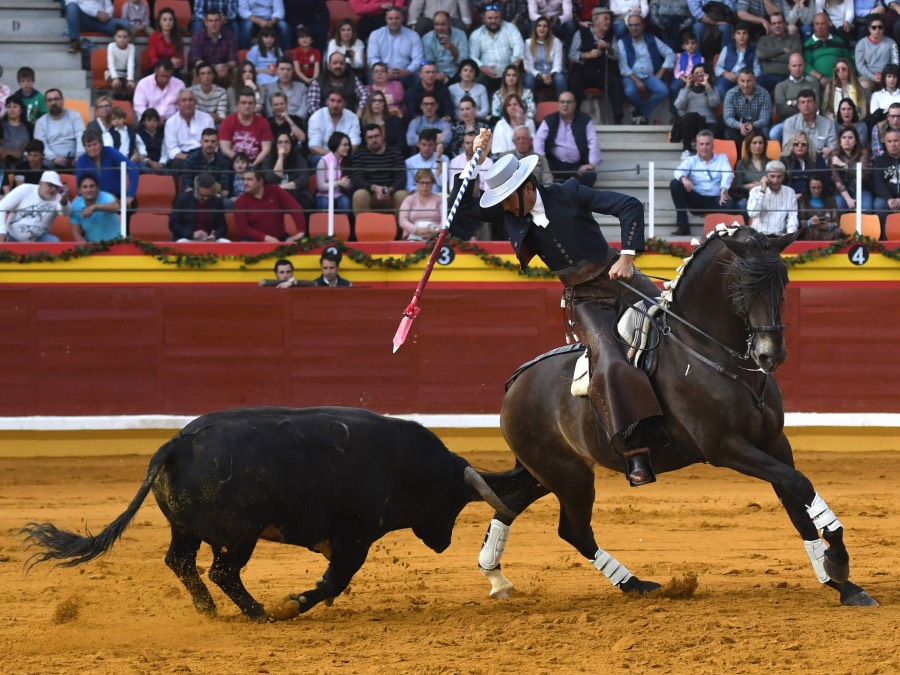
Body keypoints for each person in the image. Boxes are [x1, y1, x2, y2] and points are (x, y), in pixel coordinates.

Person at [456, 128, 662, 487]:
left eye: (507, 199)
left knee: (675, 327)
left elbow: (629, 206)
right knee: (609, 361)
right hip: (585, 298)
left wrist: (628, 255)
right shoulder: (512, 215)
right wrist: (477, 159)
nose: (504, 207)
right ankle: (635, 450)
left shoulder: (568, 192)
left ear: (527, 188)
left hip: (621, 277)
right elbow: (460, 210)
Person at [669, 129, 735, 235]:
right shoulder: (691, 160)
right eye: (701, 144)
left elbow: (728, 174)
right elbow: (678, 171)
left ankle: (722, 233)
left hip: (716, 199)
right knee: (675, 184)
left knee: (729, 203)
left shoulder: (722, 158)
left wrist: (724, 189)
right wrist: (684, 178)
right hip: (696, 200)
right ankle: (683, 226)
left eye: (707, 144)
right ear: (697, 146)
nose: (704, 147)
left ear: (713, 146)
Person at [615, 13, 675, 125]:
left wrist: (661, 73)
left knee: (663, 90)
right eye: (631, 25)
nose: (633, 28)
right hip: (631, 76)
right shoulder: (622, 42)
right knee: (629, 91)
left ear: (643, 26)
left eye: (637, 25)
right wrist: (637, 81)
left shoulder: (651, 39)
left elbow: (670, 53)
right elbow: (623, 66)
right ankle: (642, 114)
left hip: (649, 76)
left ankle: (640, 113)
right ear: (628, 27)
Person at [568, 8, 624, 121]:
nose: (608, 22)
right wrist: (587, 55)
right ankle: (573, 116)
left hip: (601, 73)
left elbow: (617, 56)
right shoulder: (581, 33)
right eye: (605, 19)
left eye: (609, 19)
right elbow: (572, 54)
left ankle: (618, 118)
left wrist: (609, 48)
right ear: (595, 20)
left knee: (615, 81)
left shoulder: (611, 36)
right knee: (574, 80)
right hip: (583, 72)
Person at [534, 92, 600, 187]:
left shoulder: (585, 120)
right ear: (558, 104)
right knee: (541, 172)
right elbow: (538, 140)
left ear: (574, 105)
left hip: (577, 166)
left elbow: (593, 141)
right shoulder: (550, 119)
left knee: (590, 175)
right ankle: (568, 186)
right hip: (554, 165)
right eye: (562, 102)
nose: (565, 105)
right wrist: (543, 161)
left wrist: (592, 164)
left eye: (568, 102)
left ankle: (569, 189)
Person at [351, 122, 408, 217]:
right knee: (359, 195)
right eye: (370, 137)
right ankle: (364, 231)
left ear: (382, 136)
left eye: (376, 136)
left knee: (402, 195)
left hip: (391, 194)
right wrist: (374, 188)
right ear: (365, 139)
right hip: (370, 195)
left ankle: (399, 231)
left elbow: (402, 178)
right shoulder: (360, 155)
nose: (374, 140)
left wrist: (389, 190)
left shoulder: (395, 153)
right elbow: (357, 179)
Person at [233, 169, 306, 241]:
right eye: (244, 179)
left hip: (279, 237)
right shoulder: (240, 201)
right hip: (253, 240)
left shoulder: (276, 191)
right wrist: (265, 238)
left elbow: (295, 207)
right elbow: (243, 229)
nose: (245, 183)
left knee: (296, 246)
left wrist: (301, 231)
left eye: (249, 179)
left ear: (260, 181)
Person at [76, 128, 140, 208]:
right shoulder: (82, 160)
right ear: (85, 147)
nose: (92, 148)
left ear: (101, 144)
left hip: (118, 197)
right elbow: (79, 186)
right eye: (89, 146)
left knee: (131, 205)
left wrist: (130, 195)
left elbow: (133, 169)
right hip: (94, 199)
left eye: (95, 144)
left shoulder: (110, 152)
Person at [165, 89, 215, 190]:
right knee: (175, 164)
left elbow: (213, 142)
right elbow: (172, 150)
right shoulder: (171, 122)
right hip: (182, 157)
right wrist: (190, 158)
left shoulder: (207, 118)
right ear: (178, 104)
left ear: (195, 102)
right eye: (184, 100)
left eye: (190, 100)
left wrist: (199, 157)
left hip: (204, 154)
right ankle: (178, 199)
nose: (188, 103)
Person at [448, 130, 494, 239]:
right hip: (462, 200)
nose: (470, 146)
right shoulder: (455, 161)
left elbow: (490, 188)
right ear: (463, 145)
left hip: (482, 199)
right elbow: (452, 188)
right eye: (467, 143)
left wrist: (476, 192)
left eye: (472, 142)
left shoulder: (488, 162)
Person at [0, 170, 68, 242]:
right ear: (40, 183)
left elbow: (65, 213)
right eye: (50, 185)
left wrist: (64, 203)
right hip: (11, 237)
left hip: (38, 239)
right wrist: (1, 231)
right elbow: (2, 206)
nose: (53, 189)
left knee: (54, 241)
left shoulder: (59, 198)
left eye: (57, 187)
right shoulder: (25, 189)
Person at [366, 7, 426, 88]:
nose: (393, 21)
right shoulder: (375, 35)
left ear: (402, 19)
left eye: (396, 18)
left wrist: (408, 71)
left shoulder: (413, 35)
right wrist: (384, 71)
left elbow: (418, 59)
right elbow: (372, 58)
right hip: (383, 73)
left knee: (420, 75)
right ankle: (375, 99)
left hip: (405, 73)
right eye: (390, 18)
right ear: (386, 19)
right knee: (372, 74)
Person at [469, 5, 526, 89]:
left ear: (501, 18)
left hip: (508, 71)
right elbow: (472, 56)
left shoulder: (510, 28)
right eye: (490, 18)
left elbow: (519, 46)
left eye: (497, 18)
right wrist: (483, 68)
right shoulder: (476, 34)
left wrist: (513, 66)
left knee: (516, 77)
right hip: (486, 72)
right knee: (478, 80)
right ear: (484, 19)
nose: (493, 21)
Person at [671, 64, 721, 158]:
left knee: (715, 130)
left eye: (701, 74)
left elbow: (715, 104)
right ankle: (686, 149)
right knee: (691, 116)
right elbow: (678, 105)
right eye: (696, 73)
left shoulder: (712, 88)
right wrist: (687, 87)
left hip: (707, 123)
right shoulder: (685, 89)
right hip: (690, 124)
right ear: (692, 75)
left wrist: (707, 86)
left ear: (706, 75)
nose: (698, 76)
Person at [770, 53, 822, 143]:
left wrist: (791, 103)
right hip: (786, 122)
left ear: (804, 66)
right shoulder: (781, 86)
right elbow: (782, 109)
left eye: (800, 65)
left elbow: (815, 107)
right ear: (789, 66)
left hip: (808, 122)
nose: (797, 69)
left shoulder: (812, 86)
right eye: (794, 66)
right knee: (773, 133)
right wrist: (805, 105)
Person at [219, 87, 274, 168]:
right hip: (233, 163)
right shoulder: (227, 121)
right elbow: (225, 149)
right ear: (238, 105)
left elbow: (266, 149)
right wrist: (242, 162)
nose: (247, 106)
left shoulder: (263, 122)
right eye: (244, 103)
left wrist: (253, 165)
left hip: (256, 164)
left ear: (255, 105)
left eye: (250, 103)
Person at [169, 171, 230, 241]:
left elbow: (223, 227)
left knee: (226, 242)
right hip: (188, 238)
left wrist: (215, 235)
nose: (205, 198)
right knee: (181, 242)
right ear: (196, 189)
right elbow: (173, 224)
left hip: (210, 239)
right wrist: (192, 234)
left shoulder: (217, 201)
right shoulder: (182, 199)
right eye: (202, 195)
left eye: (208, 196)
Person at [33, 89, 85, 170]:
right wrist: (54, 158)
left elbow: (81, 136)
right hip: (51, 159)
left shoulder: (75, 116)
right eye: (50, 100)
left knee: (83, 162)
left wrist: (79, 156)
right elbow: (41, 144)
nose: (53, 103)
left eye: (56, 99)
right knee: (45, 165)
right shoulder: (41, 122)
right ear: (46, 104)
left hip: (74, 157)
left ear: (62, 100)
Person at [306, 89, 361, 165]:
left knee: (355, 157)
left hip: (346, 154)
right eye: (332, 100)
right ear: (327, 101)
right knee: (318, 160)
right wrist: (334, 156)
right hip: (323, 155)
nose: (335, 105)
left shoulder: (352, 117)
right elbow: (314, 146)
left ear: (344, 103)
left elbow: (355, 144)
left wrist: (341, 154)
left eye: (339, 101)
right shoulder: (316, 117)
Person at [746, 160, 799, 235]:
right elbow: (752, 213)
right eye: (772, 176)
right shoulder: (755, 191)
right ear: (766, 176)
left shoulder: (790, 192)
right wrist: (762, 192)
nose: (775, 180)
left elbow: (793, 218)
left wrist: (790, 236)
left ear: (783, 176)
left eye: (779, 176)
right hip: (759, 237)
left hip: (779, 237)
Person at [189, 10, 240, 88]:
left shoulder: (230, 36)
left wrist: (225, 66)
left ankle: (235, 98)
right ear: (206, 23)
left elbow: (234, 60)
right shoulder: (198, 37)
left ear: (221, 22)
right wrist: (213, 68)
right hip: (205, 68)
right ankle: (194, 97)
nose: (213, 24)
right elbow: (196, 60)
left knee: (236, 71)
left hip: (224, 70)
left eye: (216, 20)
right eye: (210, 21)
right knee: (197, 71)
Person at [803, 13, 852, 93]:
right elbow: (806, 65)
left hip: (839, 76)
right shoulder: (809, 44)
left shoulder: (839, 40)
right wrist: (820, 77)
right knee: (809, 80)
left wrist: (841, 74)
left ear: (829, 24)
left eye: (823, 24)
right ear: (813, 26)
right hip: (818, 78)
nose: (820, 26)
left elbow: (847, 60)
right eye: (817, 24)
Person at [263, 132, 312, 209]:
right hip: (274, 193)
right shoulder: (269, 158)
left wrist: (282, 187)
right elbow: (271, 179)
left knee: (305, 201)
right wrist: (280, 158)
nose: (283, 145)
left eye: (287, 142)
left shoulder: (298, 157)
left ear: (291, 144)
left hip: (296, 191)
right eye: (280, 142)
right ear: (275, 145)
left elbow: (303, 178)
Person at [309, 51, 368, 115]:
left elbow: (365, 94)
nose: (338, 66)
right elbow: (313, 105)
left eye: (341, 63)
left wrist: (359, 112)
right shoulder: (318, 82)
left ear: (345, 65)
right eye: (335, 63)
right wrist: (322, 120)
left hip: (349, 120)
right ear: (328, 65)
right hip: (324, 120)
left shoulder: (353, 79)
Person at [830, 125, 873, 212]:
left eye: (850, 137)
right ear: (840, 141)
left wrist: (843, 165)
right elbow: (836, 179)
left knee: (866, 208)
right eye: (844, 137)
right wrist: (848, 198)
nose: (847, 140)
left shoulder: (863, 152)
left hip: (861, 189)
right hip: (842, 191)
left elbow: (862, 174)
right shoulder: (834, 154)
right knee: (839, 207)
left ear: (856, 141)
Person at [780, 89, 836, 156]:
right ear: (798, 105)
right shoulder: (790, 123)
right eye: (803, 102)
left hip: (822, 163)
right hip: (797, 162)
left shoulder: (828, 124)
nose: (806, 105)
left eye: (809, 101)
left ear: (815, 104)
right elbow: (786, 149)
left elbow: (833, 149)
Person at [723, 69, 772, 144]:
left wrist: (753, 125)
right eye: (742, 81)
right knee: (728, 133)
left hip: (757, 124)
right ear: (738, 81)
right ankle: (737, 155)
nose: (745, 85)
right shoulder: (731, 94)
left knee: (765, 132)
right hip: (738, 124)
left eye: (749, 81)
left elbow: (765, 118)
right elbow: (728, 117)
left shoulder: (764, 94)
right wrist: (739, 125)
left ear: (754, 81)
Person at [714, 23, 761, 101]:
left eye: (744, 33)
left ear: (748, 36)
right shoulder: (727, 49)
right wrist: (726, 73)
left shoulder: (753, 51)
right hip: (729, 77)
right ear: (734, 36)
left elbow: (757, 68)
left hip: (745, 78)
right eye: (738, 33)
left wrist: (751, 77)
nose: (741, 36)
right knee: (721, 88)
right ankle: (729, 109)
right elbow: (718, 67)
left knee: (750, 90)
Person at [756, 12, 803, 91]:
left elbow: (795, 57)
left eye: (779, 22)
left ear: (785, 24)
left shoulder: (794, 40)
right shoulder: (764, 39)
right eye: (774, 23)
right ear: (770, 26)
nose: (777, 25)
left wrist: (771, 57)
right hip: (767, 77)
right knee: (757, 83)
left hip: (787, 77)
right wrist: (781, 50)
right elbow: (760, 54)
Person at [69, 172, 121, 242]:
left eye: (92, 186)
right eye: (85, 187)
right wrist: (86, 249)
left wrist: (95, 207)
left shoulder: (106, 197)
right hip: (91, 247)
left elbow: (116, 207)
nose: (88, 190)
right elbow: (76, 234)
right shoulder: (75, 205)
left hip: (115, 244)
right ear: (79, 190)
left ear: (97, 188)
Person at [64, 0, 130, 54]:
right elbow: (70, 3)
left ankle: (125, 48)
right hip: (83, 19)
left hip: (100, 21)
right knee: (71, 6)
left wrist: (107, 15)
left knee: (125, 24)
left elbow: (109, 6)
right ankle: (75, 41)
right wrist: (96, 13)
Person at [854, 15, 899, 93]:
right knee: (863, 86)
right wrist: (873, 77)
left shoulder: (891, 42)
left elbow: (895, 62)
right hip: (867, 76)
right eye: (874, 27)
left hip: (888, 75)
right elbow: (860, 66)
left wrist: (887, 76)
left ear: (883, 28)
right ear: (869, 29)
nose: (877, 29)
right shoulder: (861, 44)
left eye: (880, 27)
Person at [524, 16, 567, 96]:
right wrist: (540, 75)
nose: (542, 28)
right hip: (536, 77)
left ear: (549, 29)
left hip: (552, 76)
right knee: (528, 79)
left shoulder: (556, 42)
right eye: (539, 26)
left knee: (560, 78)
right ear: (535, 28)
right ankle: (528, 106)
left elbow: (558, 65)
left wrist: (549, 75)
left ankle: (563, 105)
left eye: (545, 26)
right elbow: (528, 67)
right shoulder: (528, 43)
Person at [422, 11, 469, 82]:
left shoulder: (460, 35)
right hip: (436, 73)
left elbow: (463, 61)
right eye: (437, 24)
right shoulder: (427, 38)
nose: (439, 28)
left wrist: (451, 47)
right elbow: (429, 62)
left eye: (443, 24)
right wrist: (437, 74)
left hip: (456, 72)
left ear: (449, 24)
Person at [184, 127, 232, 195]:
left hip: (216, 196)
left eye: (213, 141)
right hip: (195, 195)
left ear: (217, 143)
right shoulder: (191, 158)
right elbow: (187, 187)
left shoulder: (223, 161)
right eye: (206, 141)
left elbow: (225, 189)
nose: (209, 144)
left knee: (228, 203)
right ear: (201, 142)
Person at [397, 168, 442, 240]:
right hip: (412, 236)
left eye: (427, 183)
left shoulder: (439, 200)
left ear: (432, 184)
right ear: (417, 183)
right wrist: (416, 230)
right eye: (422, 182)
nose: (424, 186)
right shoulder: (409, 199)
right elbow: (402, 220)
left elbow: (445, 221)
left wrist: (436, 232)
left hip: (435, 238)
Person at [731, 130, 769, 214]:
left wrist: (762, 185)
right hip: (747, 197)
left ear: (764, 145)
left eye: (760, 143)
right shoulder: (741, 163)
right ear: (749, 146)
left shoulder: (771, 163)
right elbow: (738, 186)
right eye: (754, 143)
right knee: (743, 205)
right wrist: (752, 186)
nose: (758, 146)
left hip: (768, 197)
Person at [781, 129, 829, 195]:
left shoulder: (817, 158)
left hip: (814, 196)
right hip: (791, 197)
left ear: (808, 146)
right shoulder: (784, 160)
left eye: (803, 144)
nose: (800, 146)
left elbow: (826, 179)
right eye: (796, 144)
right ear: (791, 146)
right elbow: (781, 183)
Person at [314, 131, 352, 213]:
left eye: (348, 145)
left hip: (339, 194)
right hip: (323, 195)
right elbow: (320, 186)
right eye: (344, 145)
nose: (348, 147)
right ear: (336, 145)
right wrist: (338, 183)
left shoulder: (347, 161)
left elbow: (349, 185)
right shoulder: (323, 161)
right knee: (324, 203)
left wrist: (347, 185)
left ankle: (343, 225)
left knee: (345, 202)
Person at [872, 128, 900, 236]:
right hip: (886, 198)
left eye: (896, 141)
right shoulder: (880, 161)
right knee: (879, 205)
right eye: (890, 141)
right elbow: (878, 183)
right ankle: (884, 237)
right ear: (886, 143)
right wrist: (889, 199)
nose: (893, 144)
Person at [797, 175, 842, 239]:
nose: (816, 191)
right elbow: (798, 222)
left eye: (819, 187)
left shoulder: (830, 200)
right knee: (814, 233)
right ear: (808, 187)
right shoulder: (802, 200)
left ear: (823, 187)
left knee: (839, 232)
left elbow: (836, 221)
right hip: (809, 232)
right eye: (813, 188)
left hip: (827, 232)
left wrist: (829, 226)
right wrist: (808, 223)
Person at [669, 28, 704, 110]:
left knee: (697, 88)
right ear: (683, 46)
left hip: (694, 78)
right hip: (681, 77)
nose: (690, 45)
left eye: (693, 43)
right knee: (673, 87)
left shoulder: (701, 58)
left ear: (696, 44)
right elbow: (676, 71)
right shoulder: (679, 56)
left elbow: (701, 71)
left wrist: (692, 79)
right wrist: (684, 79)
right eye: (687, 43)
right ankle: (674, 109)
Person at [405, 128, 449, 193]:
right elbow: (410, 186)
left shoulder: (444, 158)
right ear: (418, 144)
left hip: (437, 196)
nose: (426, 148)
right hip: (417, 196)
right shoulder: (409, 162)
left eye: (430, 145)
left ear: (435, 145)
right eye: (424, 144)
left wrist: (438, 159)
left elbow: (442, 183)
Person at [147, 7, 186, 74]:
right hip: (156, 69)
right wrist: (169, 63)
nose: (168, 22)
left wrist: (178, 62)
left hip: (172, 70)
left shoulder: (178, 39)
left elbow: (182, 61)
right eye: (164, 20)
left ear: (174, 22)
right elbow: (152, 58)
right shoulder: (153, 37)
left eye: (171, 19)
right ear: (160, 22)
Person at [190, 61, 229, 125]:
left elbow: (222, 115)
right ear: (198, 77)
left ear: (213, 75)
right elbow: (193, 114)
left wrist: (217, 118)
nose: (206, 76)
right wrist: (207, 117)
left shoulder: (221, 92)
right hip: (197, 123)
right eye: (203, 74)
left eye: (209, 73)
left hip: (215, 123)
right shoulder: (191, 92)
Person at [133, 108, 168, 174]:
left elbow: (165, 152)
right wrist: (151, 163)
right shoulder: (139, 135)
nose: (152, 123)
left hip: (160, 163)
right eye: (149, 120)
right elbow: (141, 153)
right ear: (143, 122)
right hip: (145, 163)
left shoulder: (162, 134)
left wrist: (161, 163)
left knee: (168, 172)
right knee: (146, 170)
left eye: (155, 121)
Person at [106, 26, 136, 98]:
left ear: (129, 38)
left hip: (125, 73)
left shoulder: (131, 47)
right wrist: (115, 78)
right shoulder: (111, 46)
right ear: (115, 37)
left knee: (130, 86)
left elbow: (130, 63)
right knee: (116, 85)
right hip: (113, 72)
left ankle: (128, 104)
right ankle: (117, 103)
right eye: (119, 37)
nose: (122, 39)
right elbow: (111, 64)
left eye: (125, 37)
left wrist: (130, 79)